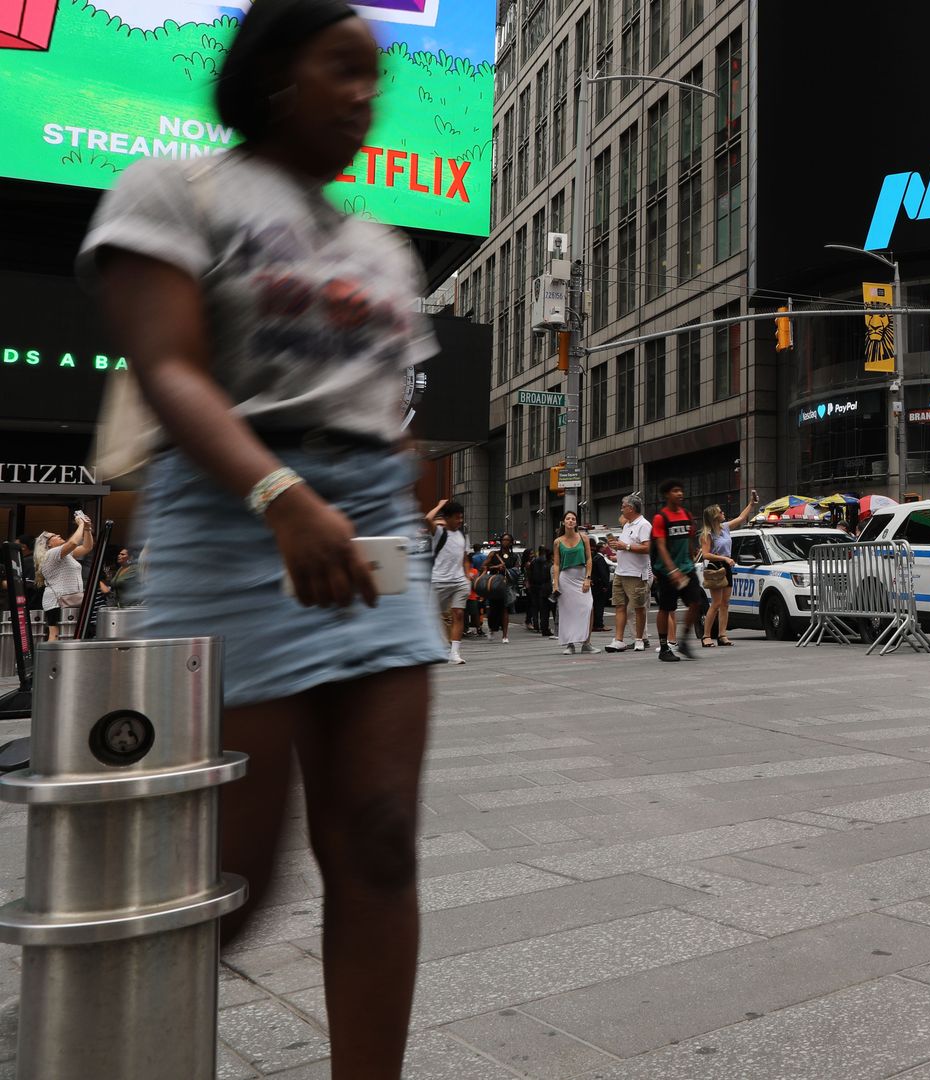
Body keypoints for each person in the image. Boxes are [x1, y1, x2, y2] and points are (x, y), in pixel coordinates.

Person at [80, 4, 448, 1074]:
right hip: (237, 512)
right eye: (343, 67)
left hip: (368, 523)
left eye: (374, 76)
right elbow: (169, 370)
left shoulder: (382, 243)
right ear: (274, 72)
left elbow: (386, 401)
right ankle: (112, 1050)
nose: (365, 93)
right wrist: (281, 495)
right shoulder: (172, 188)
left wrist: (388, 482)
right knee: (227, 882)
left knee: (379, 837)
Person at [651, 479, 709, 661]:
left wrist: (693, 554)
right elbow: (660, 546)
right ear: (667, 494)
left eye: (681, 490)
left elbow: (691, 537)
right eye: (676, 491)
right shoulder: (661, 518)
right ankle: (663, 648)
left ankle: (683, 641)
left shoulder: (686, 514)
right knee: (666, 608)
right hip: (667, 571)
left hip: (686, 568)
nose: (680, 494)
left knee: (696, 603)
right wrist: (672, 570)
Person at [698, 492, 757, 647]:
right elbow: (705, 555)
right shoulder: (707, 534)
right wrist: (724, 558)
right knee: (716, 603)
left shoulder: (724, 528)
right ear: (714, 516)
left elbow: (741, 518)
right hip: (716, 567)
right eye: (720, 512)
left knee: (725, 603)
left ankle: (722, 634)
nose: (723, 513)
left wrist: (751, 504)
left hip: (727, 566)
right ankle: (706, 636)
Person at [35, 512, 95, 640]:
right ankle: (51, 660)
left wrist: (87, 529)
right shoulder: (51, 553)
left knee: (67, 634)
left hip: (68, 598)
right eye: (54, 536)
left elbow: (87, 547)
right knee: (55, 634)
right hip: (57, 601)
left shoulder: (65, 554)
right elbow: (73, 542)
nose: (59, 535)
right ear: (48, 544)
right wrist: (81, 524)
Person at [605, 495, 652, 653]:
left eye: (623, 506)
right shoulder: (627, 525)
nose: (621, 509)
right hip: (621, 571)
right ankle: (618, 639)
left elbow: (648, 547)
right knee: (619, 606)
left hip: (635, 574)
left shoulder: (644, 525)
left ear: (631, 508)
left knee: (639, 608)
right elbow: (626, 546)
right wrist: (617, 547)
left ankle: (639, 639)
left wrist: (626, 547)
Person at [428, 499, 471, 664]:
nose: (460, 521)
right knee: (432, 616)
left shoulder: (462, 535)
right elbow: (427, 518)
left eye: (461, 517)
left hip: (459, 581)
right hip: (439, 580)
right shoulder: (439, 532)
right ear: (446, 518)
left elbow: (465, 558)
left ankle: (454, 653)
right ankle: (438, 647)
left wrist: (467, 577)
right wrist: (439, 505)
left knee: (458, 614)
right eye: (456, 517)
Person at [552, 510, 596, 654]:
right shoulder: (558, 542)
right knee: (568, 612)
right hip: (566, 578)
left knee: (588, 607)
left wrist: (588, 579)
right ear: (563, 522)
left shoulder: (584, 538)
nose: (571, 521)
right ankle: (570, 644)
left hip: (581, 576)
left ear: (576, 522)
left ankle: (586, 643)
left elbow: (589, 559)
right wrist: (555, 584)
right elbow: (557, 565)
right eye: (568, 519)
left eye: (573, 519)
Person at [476, 550, 512, 644]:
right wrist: (496, 567)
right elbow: (483, 567)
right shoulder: (494, 554)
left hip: (505, 584)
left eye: (508, 540)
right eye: (504, 540)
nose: (506, 542)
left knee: (505, 609)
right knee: (492, 610)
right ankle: (492, 628)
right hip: (493, 585)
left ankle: (505, 635)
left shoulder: (512, 556)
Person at [523, 546, 554, 638]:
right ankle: (551, 628)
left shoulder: (534, 561)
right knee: (550, 608)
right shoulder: (549, 563)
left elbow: (530, 573)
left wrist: (530, 582)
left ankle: (538, 626)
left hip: (535, 586)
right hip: (546, 586)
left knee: (536, 607)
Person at [589, 536, 612, 632]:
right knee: (599, 606)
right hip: (600, 586)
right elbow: (603, 573)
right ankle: (599, 624)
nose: (606, 549)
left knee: (596, 605)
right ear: (601, 549)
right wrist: (606, 585)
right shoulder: (600, 559)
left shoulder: (596, 558)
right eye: (604, 547)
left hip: (596, 585)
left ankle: (595, 624)